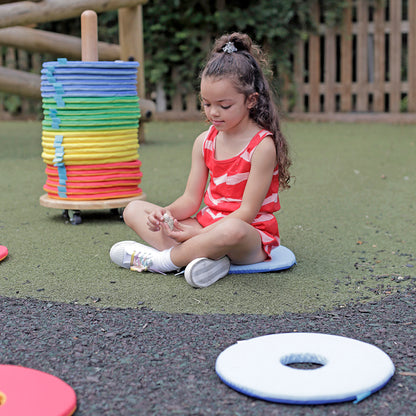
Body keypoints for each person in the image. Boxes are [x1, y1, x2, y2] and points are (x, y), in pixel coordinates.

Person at [110, 32, 291, 288]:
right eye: (206, 104)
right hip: (205, 226)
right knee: (134, 210)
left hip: (249, 237)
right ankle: (207, 260)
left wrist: (199, 233)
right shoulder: (204, 141)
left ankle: (163, 261)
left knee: (230, 231)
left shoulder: (262, 146)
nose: (213, 113)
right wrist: (166, 214)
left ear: (251, 100)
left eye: (224, 106)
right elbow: (191, 200)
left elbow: (247, 213)